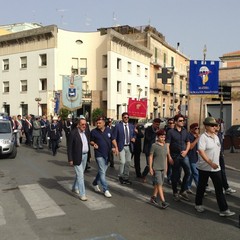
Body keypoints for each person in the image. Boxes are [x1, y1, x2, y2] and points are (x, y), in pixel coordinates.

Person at [195, 117, 235, 217]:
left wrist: (217, 163)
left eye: (215, 125)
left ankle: (224, 209)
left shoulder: (216, 137)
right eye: (212, 125)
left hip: (216, 168)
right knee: (201, 186)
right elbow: (201, 151)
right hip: (205, 168)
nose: (214, 127)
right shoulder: (203, 137)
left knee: (219, 188)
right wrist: (210, 162)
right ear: (206, 126)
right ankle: (198, 204)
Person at [90, 116, 118, 197]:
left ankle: (95, 183)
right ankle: (105, 189)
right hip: (99, 154)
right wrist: (93, 144)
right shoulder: (94, 131)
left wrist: (116, 147)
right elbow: (91, 141)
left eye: (99, 123)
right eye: (97, 123)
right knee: (102, 172)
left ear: (104, 123)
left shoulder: (109, 130)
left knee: (102, 171)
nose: (98, 124)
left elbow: (113, 139)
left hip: (108, 154)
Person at [166, 114, 191, 201]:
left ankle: (183, 190)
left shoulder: (185, 131)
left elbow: (188, 142)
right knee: (175, 175)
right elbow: (167, 145)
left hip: (184, 155)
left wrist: (186, 151)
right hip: (174, 156)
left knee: (188, 172)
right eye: (180, 121)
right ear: (176, 122)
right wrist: (169, 157)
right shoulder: (171, 132)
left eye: (183, 120)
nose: (182, 122)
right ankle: (175, 192)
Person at [68, 118, 90, 201]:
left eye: (85, 124)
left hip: (85, 155)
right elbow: (69, 147)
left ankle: (74, 187)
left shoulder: (86, 132)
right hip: (77, 156)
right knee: (81, 175)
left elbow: (86, 143)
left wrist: (89, 155)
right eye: (82, 124)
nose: (84, 126)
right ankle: (82, 194)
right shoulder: (73, 133)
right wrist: (70, 159)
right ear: (78, 125)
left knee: (80, 173)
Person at [113, 112, 136, 184]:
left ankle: (126, 177)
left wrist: (134, 138)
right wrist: (115, 147)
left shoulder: (131, 126)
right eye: (125, 117)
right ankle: (120, 176)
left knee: (128, 162)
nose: (126, 119)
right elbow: (114, 137)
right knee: (122, 162)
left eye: (127, 117)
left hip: (129, 146)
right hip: (121, 146)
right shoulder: (118, 126)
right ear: (122, 118)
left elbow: (134, 134)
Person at [149, 129, 169, 209]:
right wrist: (150, 168)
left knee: (158, 184)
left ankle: (153, 197)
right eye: (161, 137)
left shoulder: (165, 145)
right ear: (157, 137)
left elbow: (166, 157)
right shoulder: (154, 145)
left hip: (163, 168)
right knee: (160, 184)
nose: (163, 138)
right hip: (156, 168)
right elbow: (150, 157)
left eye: (164, 137)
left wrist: (166, 167)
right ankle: (163, 201)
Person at [215, 120, 236, 195]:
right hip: (214, 157)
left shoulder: (220, 134)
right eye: (216, 125)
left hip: (220, 155)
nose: (218, 127)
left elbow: (221, 144)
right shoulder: (212, 135)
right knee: (212, 173)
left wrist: (222, 152)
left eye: (219, 126)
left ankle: (226, 187)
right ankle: (205, 186)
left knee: (222, 172)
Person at [142, 118, 161, 182]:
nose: (157, 126)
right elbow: (148, 138)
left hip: (156, 150)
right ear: (153, 123)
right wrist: (155, 133)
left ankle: (155, 180)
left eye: (158, 124)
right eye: (156, 124)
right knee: (149, 164)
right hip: (148, 149)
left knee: (155, 165)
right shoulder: (148, 129)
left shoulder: (159, 130)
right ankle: (144, 175)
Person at [187, 123, 200, 193]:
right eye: (195, 128)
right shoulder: (189, 136)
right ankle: (200, 189)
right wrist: (197, 139)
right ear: (191, 129)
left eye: (198, 128)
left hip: (196, 157)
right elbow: (190, 147)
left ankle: (187, 187)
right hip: (190, 157)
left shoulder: (196, 136)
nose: (197, 130)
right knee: (196, 173)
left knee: (191, 174)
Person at [165, 118, 175, 184]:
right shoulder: (166, 131)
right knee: (170, 166)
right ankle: (169, 178)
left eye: (172, 123)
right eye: (169, 123)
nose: (171, 124)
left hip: (176, 150)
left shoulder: (177, 131)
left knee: (178, 166)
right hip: (169, 150)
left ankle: (177, 178)